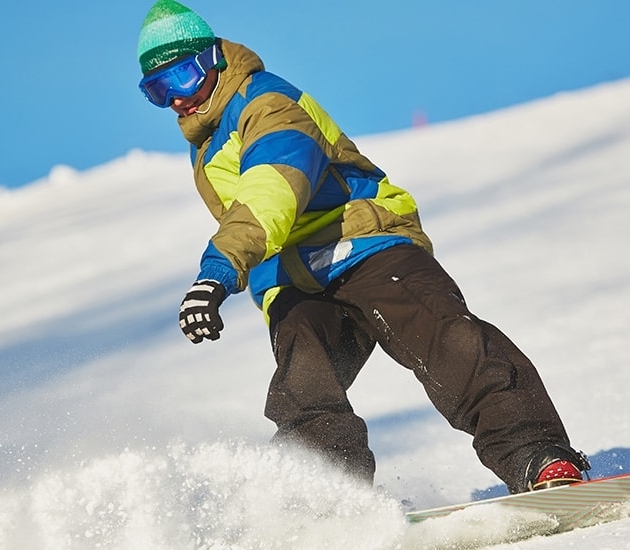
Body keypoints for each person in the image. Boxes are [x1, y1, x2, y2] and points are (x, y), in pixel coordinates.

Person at [136, 0, 589, 494]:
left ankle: (539, 458)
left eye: (183, 75)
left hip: (366, 245)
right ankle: (332, 502)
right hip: (297, 282)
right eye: (159, 89)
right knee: (303, 392)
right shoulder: (204, 150)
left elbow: (272, 190)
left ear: (214, 59)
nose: (177, 98)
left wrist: (217, 273)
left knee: (448, 342)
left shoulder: (267, 105)